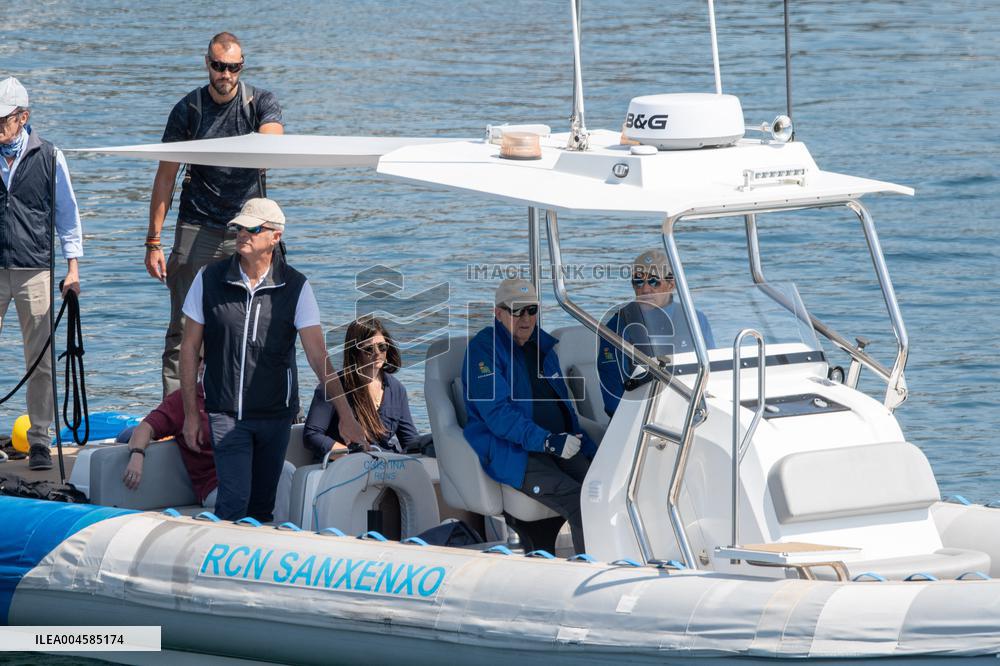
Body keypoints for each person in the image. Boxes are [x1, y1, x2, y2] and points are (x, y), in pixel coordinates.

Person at [178, 197, 365, 522]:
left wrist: (346, 415)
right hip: (225, 414)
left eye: (252, 229)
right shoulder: (208, 279)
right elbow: (189, 349)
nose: (242, 235)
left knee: (262, 507)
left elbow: (318, 355)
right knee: (234, 502)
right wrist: (191, 415)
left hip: (275, 417)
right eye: (239, 228)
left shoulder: (296, 287)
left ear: (275, 236)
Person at [148, 31, 284, 397]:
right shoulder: (188, 110)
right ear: (207, 63)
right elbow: (165, 177)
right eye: (219, 66)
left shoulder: (260, 103)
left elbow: (273, 141)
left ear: (241, 67)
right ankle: (175, 412)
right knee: (183, 326)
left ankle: (250, 403)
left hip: (250, 228)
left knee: (256, 323)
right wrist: (153, 241)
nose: (226, 74)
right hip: (198, 225)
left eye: (233, 68)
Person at [462, 278, 598, 554]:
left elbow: (563, 408)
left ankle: (623, 561)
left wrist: (590, 448)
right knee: (578, 498)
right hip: (514, 453)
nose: (525, 318)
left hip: (556, 445)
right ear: (498, 313)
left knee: (601, 487)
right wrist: (547, 441)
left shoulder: (543, 347)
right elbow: (498, 415)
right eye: (516, 310)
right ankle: (592, 570)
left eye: (531, 310)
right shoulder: (484, 349)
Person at [0, 76, 83, 471]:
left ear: (23, 117)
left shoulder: (50, 156)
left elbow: (67, 216)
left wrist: (72, 268)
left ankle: (39, 440)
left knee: (41, 359)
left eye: (3, 121)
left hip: (35, 268)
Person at [120, 377, 295, 520]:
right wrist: (137, 455)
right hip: (214, 484)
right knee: (242, 487)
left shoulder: (246, 397)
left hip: (249, 473)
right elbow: (145, 427)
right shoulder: (182, 401)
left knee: (285, 469)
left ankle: (278, 532)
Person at [597, 248, 715, 417]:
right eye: (638, 281)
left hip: (692, 413)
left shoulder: (696, 320)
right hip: (638, 422)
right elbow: (613, 399)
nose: (645, 289)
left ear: (671, 284)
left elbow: (712, 374)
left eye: (654, 281)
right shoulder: (615, 327)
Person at [303, 316, 420, 461]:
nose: (377, 353)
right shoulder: (332, 386)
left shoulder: (397, 389)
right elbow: (312, 436)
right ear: (355, 353)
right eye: (369, 349)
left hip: (386, 468)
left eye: (382, 347)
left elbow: (409, 440)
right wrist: (352, 456)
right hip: (342, 469)